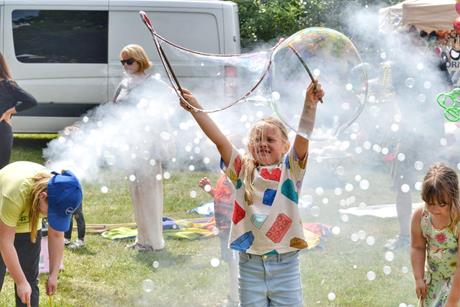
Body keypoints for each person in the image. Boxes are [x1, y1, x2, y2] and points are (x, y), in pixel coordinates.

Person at [181, 80, 324, 306]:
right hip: (249, 267)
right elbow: (219, 141)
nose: (262, 144)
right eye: (257, 139)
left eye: (270, 139)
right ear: (249, 144)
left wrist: (310, 104)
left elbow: (304, 136)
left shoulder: (291, 171)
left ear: (285, 146)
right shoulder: (242, 170)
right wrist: (196, 109)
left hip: (285, 266)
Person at [0, 161, 83, 307]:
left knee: (29, 282)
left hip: (28, 222)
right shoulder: (15, 192)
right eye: (50, 213)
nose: (50, 218)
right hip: (4, 215)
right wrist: (20, 282)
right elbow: (4, 242)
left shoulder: (59, 193)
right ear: (42, 196)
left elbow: (57, 234)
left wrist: (53, 275)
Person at [113, 44, 165, 252]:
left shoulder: (152, 84)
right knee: (136, 193)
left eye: (129, 61)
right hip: (130, 145)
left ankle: (155, 241)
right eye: (122, 62)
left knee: (150, 193)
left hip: (148, 146)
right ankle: (142, 238)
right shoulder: (124, 84)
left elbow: (161, 115)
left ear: (140, 60)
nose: (125, 65)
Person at [410, 163, 460, 307]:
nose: (435, 209)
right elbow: (417, 247)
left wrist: (453, 300)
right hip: (435, 283)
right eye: (430, 203)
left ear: (453, 197)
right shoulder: (421, 216)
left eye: (442, 204)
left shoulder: (457, 221)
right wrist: (418, 278)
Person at [198, 174, 239, 305]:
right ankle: (234, 295)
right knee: (231, 263)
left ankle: (235, 297)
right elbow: (221, 198)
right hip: (225, 229)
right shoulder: (224, 176)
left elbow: (242, 198)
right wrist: (209, 190)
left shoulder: (237, 175)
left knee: (235, 264)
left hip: (233, 229)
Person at [0, 52, 37, 169]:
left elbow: (31, 101)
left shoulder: (8, 85)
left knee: (1, 169)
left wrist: (8, 112)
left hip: (2, 131)